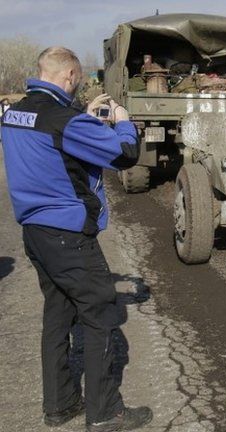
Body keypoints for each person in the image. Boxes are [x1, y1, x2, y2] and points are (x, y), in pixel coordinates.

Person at [0, 47, 152, 431]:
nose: (78, 85)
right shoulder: (63, 119)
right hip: (68, 235)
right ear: (69, 75)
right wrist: (120, 119)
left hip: (35, 234)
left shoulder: (15, 114)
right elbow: (126, 153)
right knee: (101, 315)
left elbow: (48, 148)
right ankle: (105, 413)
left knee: (58, 316)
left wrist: (82, 120)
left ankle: (60, 404)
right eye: (78, 80)